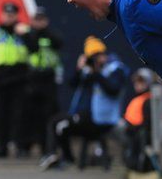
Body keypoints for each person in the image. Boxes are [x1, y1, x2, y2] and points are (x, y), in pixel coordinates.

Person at [40, 37, 127, 171]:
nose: (95, 60)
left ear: (104, 54)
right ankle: (63, 157)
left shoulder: (115, 69)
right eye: (92, 57)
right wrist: (79, 69)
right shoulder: (88, 70)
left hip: (103, 118)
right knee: (56, 122)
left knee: (59, 124)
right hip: (85, 115)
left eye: (98, 56)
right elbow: (72, 84)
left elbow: (113, 90)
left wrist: (97, 74)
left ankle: (65, 158)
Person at [0, 2, 28, 157]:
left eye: (12, 14)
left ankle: (20, 146)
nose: (9, 17)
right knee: (1, 114)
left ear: (16, 15)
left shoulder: (23, 31)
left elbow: (33, 49)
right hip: (1, 78)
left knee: (20, 113)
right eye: (6, 14)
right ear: (2, 15)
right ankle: (2, 147)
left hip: (19, 76)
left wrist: (26, 35)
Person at [23, 8, 62, 155]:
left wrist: (44, 31)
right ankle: (28, 145)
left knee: (49, 114)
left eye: (41, 20)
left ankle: (48, 147)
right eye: (36, 20)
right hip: (32, 78)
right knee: (32, 115)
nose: (39, 23)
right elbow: (30, 48)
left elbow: (60, 43)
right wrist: (34, 32)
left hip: (48, 78)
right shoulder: (29, 35)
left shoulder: (51, 34)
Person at [121, 69, 154, 173]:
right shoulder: (138, 98)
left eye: (141, 81)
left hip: (138, 133)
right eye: (137, 81)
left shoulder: (148, 99)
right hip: (131, 132)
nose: (138, 85)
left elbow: (146, 124)